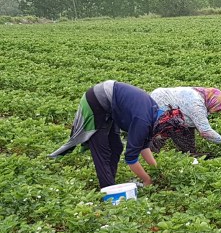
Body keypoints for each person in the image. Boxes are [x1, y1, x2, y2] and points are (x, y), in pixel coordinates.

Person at [49, 80, 185, 188]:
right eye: (164, 134)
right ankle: (108, 190)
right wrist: (147, 180)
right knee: (102, 150)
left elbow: (143, 145)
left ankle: (110, 182)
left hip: (111, 105)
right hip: (96, 101)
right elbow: (131, 158)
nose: (163, 137)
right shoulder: (143, 122)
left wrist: (156, 169)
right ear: (162, 126)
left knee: (116, 147)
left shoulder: (156, 115)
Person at [149, 87, 221, 154]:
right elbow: (205, 132)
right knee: (165, 128)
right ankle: (151, 154)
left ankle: (189, 153)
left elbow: (194, 122)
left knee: (184, 126)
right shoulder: (197, 105)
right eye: (219, 109)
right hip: (161, 103)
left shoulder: (202, 95)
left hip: (167, 102)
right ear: (213, 102)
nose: (219, 112)